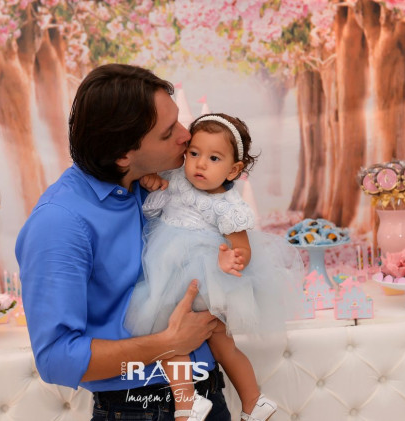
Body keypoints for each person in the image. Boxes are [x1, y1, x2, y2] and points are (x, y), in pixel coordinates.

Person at [15, 63, 232, 421]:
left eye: (179, 122)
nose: (186, 136)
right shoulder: (59, 223)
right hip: (139, 408)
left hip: (208, 394)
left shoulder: (161, 182)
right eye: (168, 133)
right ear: (122, 155)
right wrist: (167, 344)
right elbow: (55, 359)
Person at [124, 113, 305, 421]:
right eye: (194, 153)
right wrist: (153, 183)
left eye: (214, 158)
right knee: (213, 343)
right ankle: (253, 402)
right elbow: (153, 211)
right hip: (177, 274)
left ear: (233, 169)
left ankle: (191, 403)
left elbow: (243, 249)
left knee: (171, 337)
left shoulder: (228, 206)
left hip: (202, 278)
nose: (200, 164)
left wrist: (232, 258)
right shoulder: (175, 178)